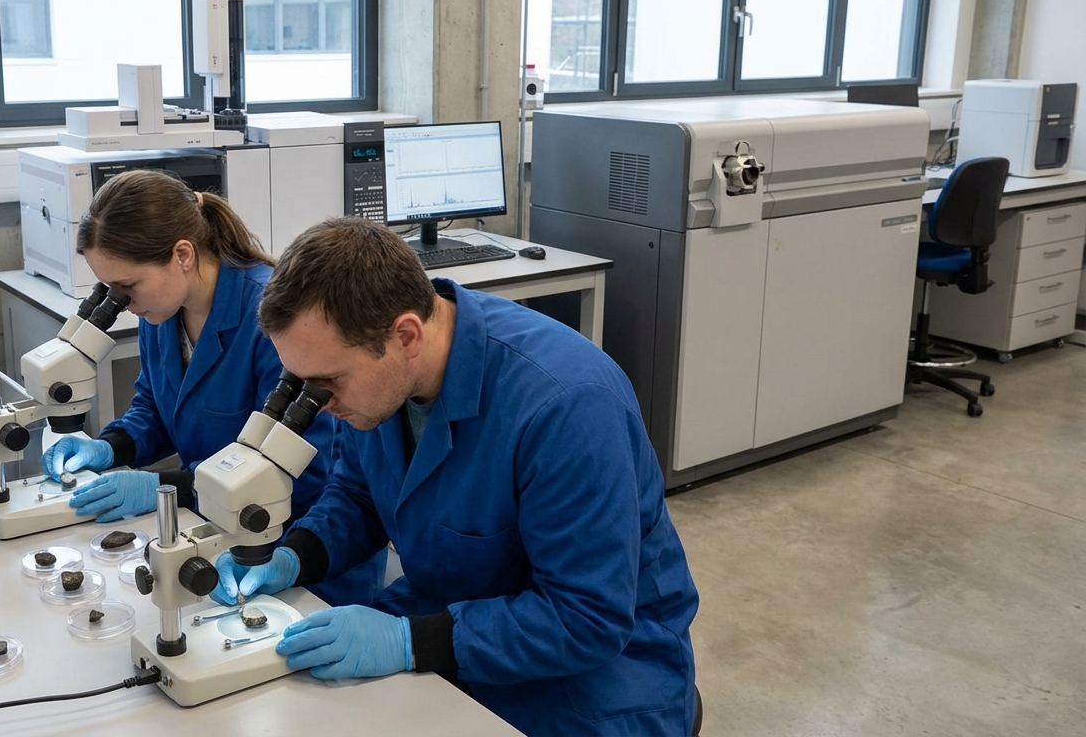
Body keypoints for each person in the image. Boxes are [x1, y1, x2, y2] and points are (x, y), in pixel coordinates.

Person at [213, 217, 699, 736]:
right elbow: (358, 495)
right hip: (449, 615)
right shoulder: (378, 381)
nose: (320, 402)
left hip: (593, 675)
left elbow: (587, 617)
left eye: (328, 381)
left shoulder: (566, 406)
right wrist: (294, 556)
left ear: (405, 335)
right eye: (302, 381)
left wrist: (409, 642)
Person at [42, 170, 383, 608]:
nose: (121, 302)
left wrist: (162, 487)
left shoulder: (272, 319)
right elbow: (155, 408)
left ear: (182, 254)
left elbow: (303, 469)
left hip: (297, 554)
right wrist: (110, 447)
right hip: (214, 534)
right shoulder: (161, 313)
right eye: (109, 288)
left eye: (127, 286)